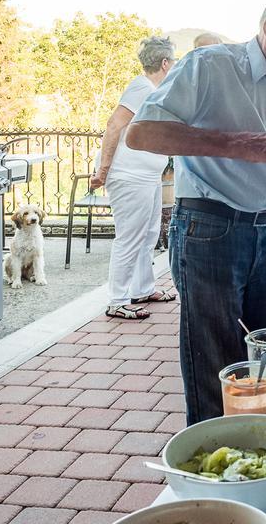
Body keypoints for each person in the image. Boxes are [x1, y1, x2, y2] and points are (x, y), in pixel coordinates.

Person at [127, 0, 266, 424]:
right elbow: (141, 134)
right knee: (215, 366)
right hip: (208, 229)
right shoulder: (210, 65)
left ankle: (260, 458)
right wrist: (235, 144)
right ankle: (213, 474)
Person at [90, 36, 177, 320]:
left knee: (149, 233)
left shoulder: (153, 90)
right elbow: (114, 124)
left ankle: (142, 288)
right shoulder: (141, 87)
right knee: (130, 236)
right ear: (165, 63)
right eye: (173, 61)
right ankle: (117, 300)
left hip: (147, 175)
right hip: (129, 176)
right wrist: (103, 170)